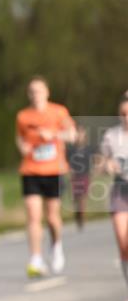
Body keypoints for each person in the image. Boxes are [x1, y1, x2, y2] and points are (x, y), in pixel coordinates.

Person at [16, 77, 76, 277]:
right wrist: (22, 147)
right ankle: (35, 258)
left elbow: (72, 135)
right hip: (31, 170)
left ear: (47, 92)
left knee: (52, 217)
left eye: (39, 91)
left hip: (54, 170)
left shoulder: (59, 112)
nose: (36, 95)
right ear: (28, 94)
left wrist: (53, 135)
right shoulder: (23, 116)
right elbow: (20, 138)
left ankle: (56, 246)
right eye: (32, 91)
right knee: (33, 216)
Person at [100, 96, 128, 301]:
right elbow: (101, 163)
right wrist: (107, 166)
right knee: (122, 241)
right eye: (123, 114)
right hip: (120, 189)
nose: (126, 118)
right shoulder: (111, 136)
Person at [68, 123, 96, 232]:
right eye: (77, 133)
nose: (79, 135)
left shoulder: (89, 149)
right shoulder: (71, 150)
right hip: (75, 177)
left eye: (81, 133)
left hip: (85, 175)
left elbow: (93, 162)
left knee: (82, 198)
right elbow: (67, 163)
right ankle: (78, 215)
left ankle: (82, 217)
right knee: (76, 199)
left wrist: (93, 172)